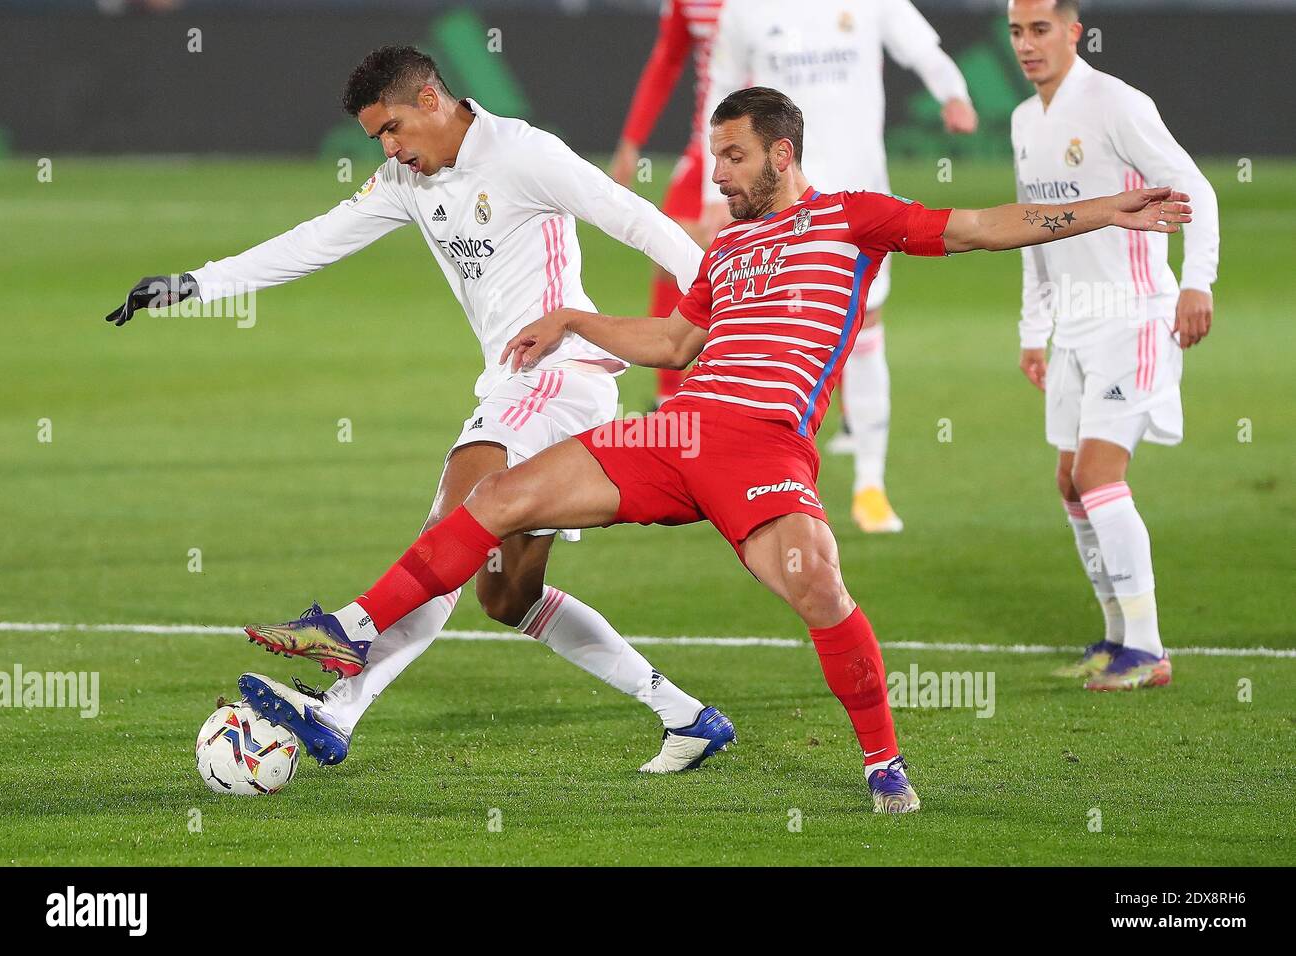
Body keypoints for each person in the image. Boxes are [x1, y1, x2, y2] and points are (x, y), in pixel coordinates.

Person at [241, 87, 1190, 812]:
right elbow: (674, 346)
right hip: (678, 430)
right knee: (499, 500)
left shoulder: (852, 219)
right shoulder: (725, 256)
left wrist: (1110, 209)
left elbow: (983, 227)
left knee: (817, 582)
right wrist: (573, 319)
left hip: (762, 445)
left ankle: (884, 762)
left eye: (732, 158)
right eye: (714, 158)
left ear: (782, 152)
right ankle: (355, 627)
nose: (719, 175)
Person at [103, 45, 734, 773]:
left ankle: (341, 693)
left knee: (456, 520)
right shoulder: (408, 179)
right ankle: (685, 715)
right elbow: (316, 241)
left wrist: (721, 308)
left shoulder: (525, 153)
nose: (391, 149)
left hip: (561, 375)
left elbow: (637, 220)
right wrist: (196, 283)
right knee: (506, 594)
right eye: (379, 138)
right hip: (514, 384)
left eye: (394, 129)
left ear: (432, 100)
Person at [701, 0, 979, 532]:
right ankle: (769, 481)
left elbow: (922, 47)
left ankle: (869, 486)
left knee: (866, 327)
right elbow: (719, 93)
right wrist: (708, 188)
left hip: (858, 202)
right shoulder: (745, 11)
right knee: (775, 332)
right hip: (778, 201)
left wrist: (953, 93)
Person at [1007, 0, 1219, 691]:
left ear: (1072, 31)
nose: (1027, 44)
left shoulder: (1116, 103)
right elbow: (1034, 232)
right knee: (1069, 482)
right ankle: (1116, 635)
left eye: (1041, 29)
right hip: (1072, 330)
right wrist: (1033, 330)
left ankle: (1149, 651)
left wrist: (1197, 283)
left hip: (1134, 320)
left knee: (1099, 475)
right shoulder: (1022, 121)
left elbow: (1197, 189)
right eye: (1016, 31)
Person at [609, 0, 726, 410]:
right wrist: (632, 139)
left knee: (812, 253)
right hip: (709, 144)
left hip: (776, 142)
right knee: (667, 248)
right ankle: (670, 399)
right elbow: (668, 58)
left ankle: (848, 408)